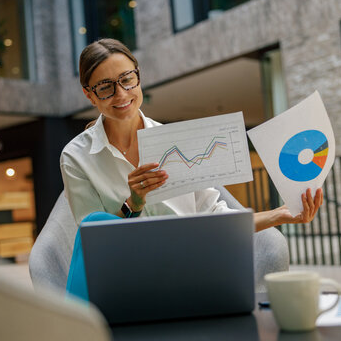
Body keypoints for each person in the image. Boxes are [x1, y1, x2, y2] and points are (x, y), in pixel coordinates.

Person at [60, 38, 323, 300]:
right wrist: (133, 203)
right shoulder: (76, 157)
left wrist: (279, 215)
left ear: (138, 76)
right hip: (128, 281)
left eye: (127, 79)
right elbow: (94, 244)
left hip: (192, 272)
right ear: (89, 94)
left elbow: (215, 217)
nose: (121, 94)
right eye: (105, 87)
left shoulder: (178, 141)